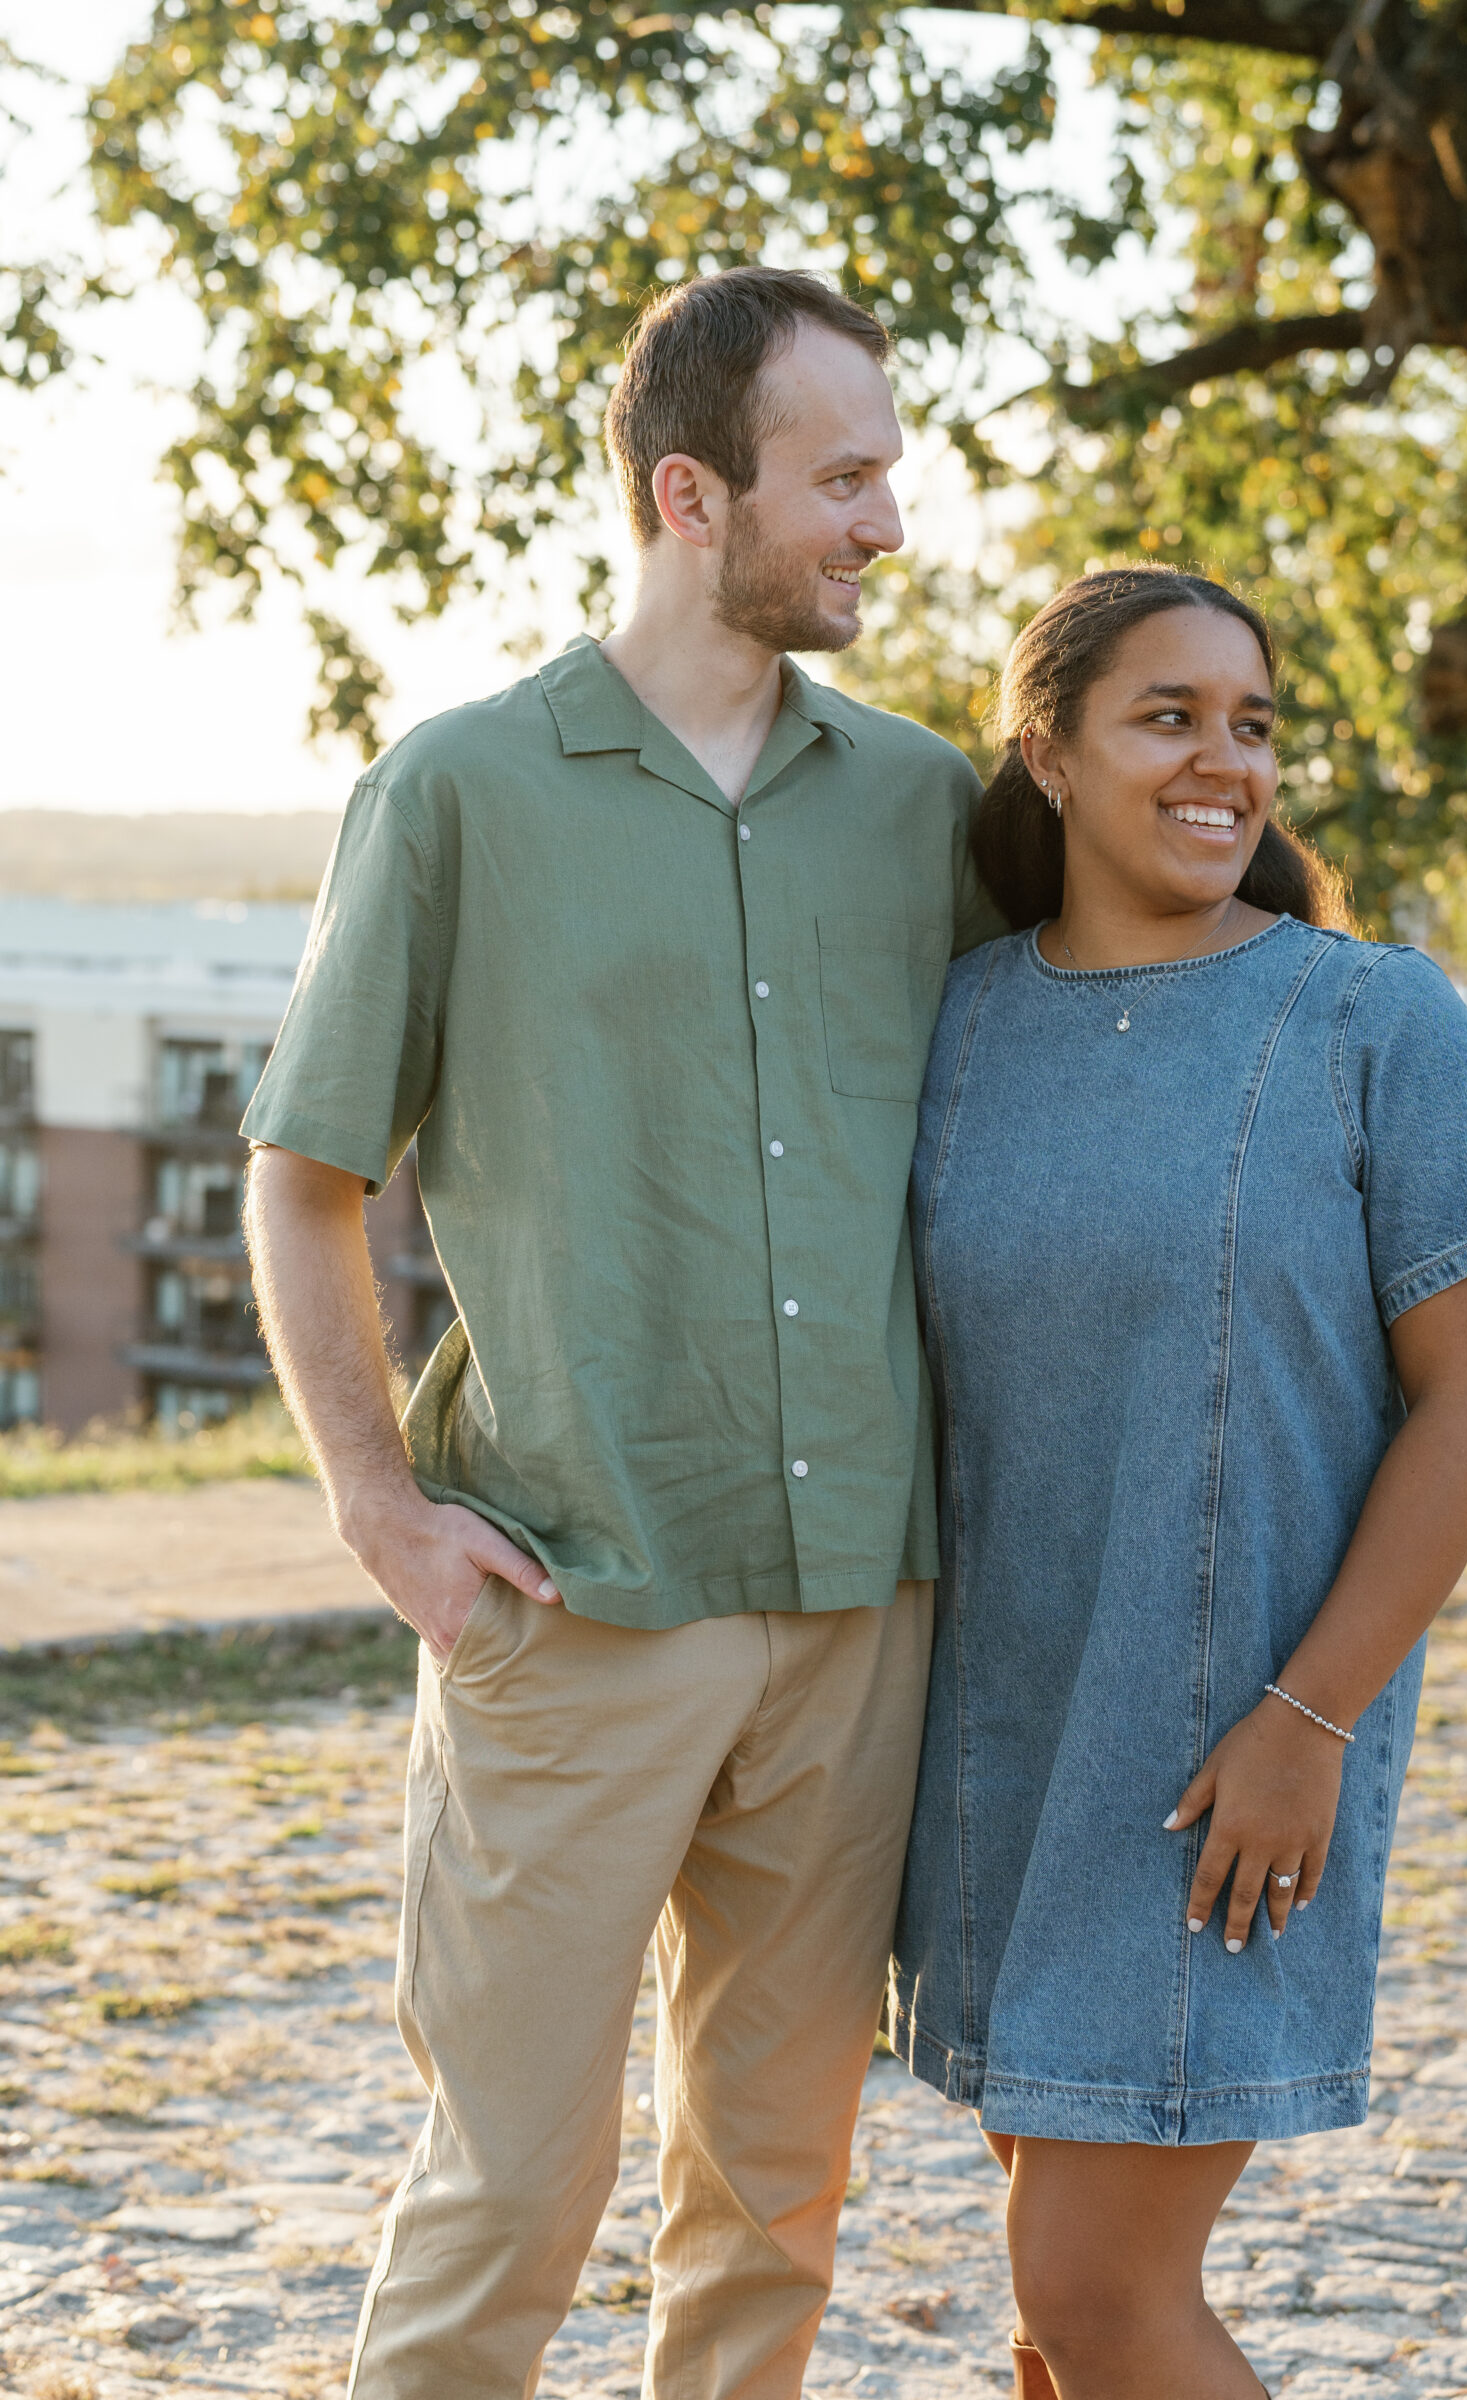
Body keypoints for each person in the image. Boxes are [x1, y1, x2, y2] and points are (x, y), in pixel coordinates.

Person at [241, 266, 1002, 2400]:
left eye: (888, 476)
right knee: (507, 2192)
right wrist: (381, 1510)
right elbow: (298, 1179)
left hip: (863, 1599)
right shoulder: (461, 789)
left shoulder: (925, 803)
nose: (883, 523)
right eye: (840, 477)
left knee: (774, 2190)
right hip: (573, 1599)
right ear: (693, 493)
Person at [887, 565, 1467, 2400]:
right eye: (1168, 715)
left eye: (1254, 723)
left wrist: (1307, 1717)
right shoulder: (956, 1025)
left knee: (1102, 2296)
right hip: (989, 1768)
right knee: (1056, 2318)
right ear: (1045, 752)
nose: (1225, 762)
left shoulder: (1374, 1021)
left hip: (1228, 1769)